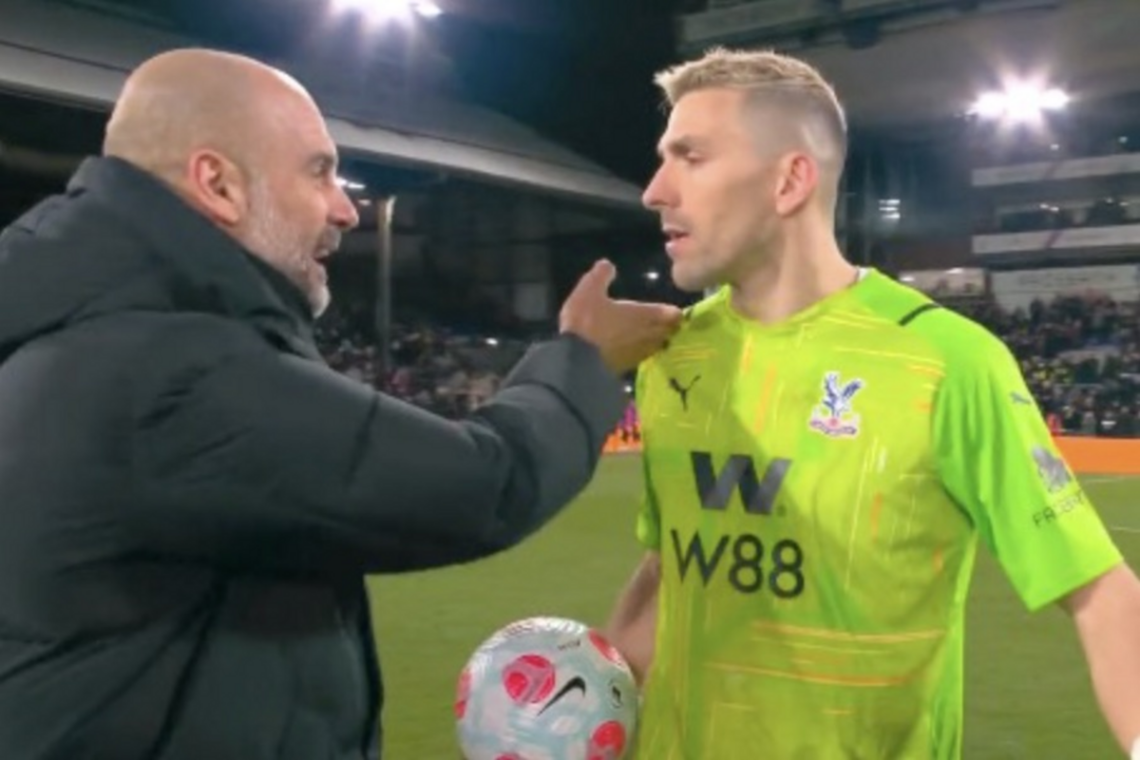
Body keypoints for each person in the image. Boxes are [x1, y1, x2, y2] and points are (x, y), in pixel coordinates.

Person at [0, 48, 681, 760]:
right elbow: (484, 485)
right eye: (318, 171)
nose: (346, 208)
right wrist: (583, 357)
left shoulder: (87, 329)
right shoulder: (166, 370)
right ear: (218, 184)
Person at [604, 47, 1140, 759]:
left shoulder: (943, 360)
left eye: (691, 158)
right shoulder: (672, 358)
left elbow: (1101, 595)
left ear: (789, 180)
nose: (654, 191)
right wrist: (588, 697)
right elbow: (672, 566)